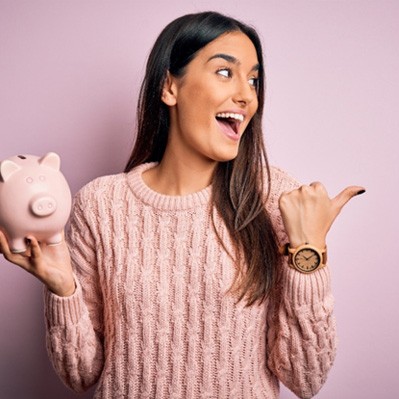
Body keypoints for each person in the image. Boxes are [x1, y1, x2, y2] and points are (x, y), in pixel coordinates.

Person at [0, 11, 365, 399]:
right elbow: (81, 375)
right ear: (169, 87)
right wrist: (63, 289)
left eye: (254, 79)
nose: (246, 95)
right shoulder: (100, 205)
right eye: (226, 72)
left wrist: (307, 253)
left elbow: (306, 379)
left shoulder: (275, 198)